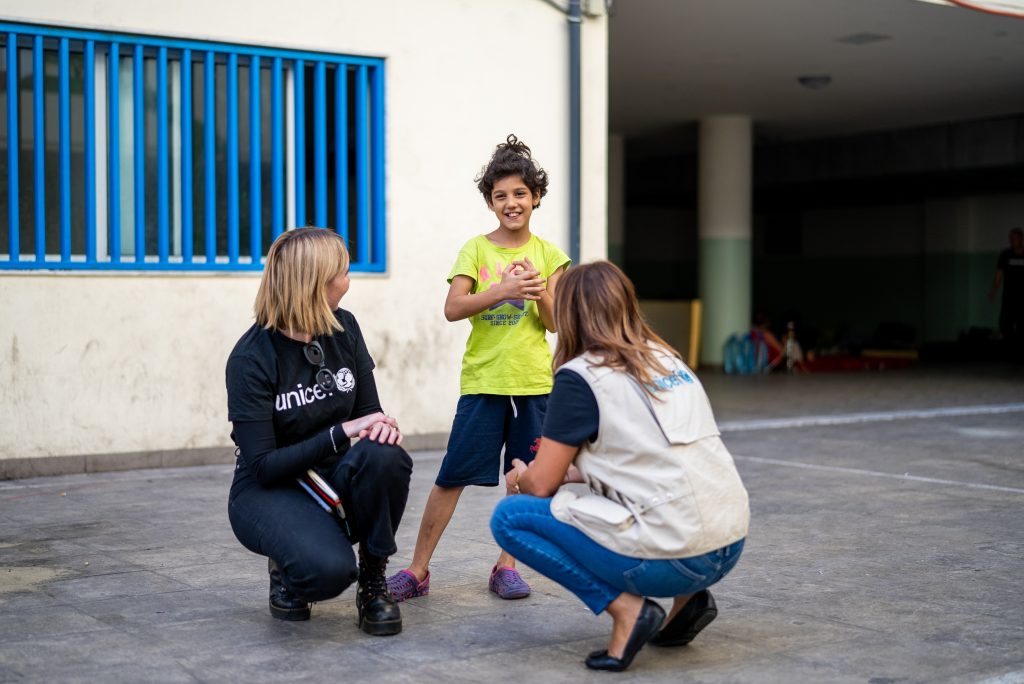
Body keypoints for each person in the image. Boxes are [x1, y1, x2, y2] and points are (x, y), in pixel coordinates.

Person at [491, 261, 750, 672]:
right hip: (729, 541)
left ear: (570, 313)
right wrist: (574, 472)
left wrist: (522, 474)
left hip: (680, 555)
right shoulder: (667, 359)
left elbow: (541, 485)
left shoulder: (581, 376)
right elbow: (647, 455)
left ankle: (629, 612)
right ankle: (688, 602)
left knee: (512, 517)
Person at [387, 134, 570, 601]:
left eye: (520, 194)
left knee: (525, 480)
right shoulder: (476, 249)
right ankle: (418, 569)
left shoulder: (551, 256)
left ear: (536, 198)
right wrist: (503, 290)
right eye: (501, 195)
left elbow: (553, 322)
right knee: (452, 476)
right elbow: (453, 307)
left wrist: (538, 288)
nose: (511, 203)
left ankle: (506, 566)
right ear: (490, 202)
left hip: (533, 384)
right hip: (484, 382)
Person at [225, 227, 412, 636]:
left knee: (387, 456)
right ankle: (289, 564)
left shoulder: (345, 328)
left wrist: (381, 427)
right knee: (327, 573)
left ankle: (374, 581)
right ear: (316, 284)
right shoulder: (250, 357)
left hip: (333, 476)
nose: (350, 279)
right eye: (343, 272)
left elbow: (368, 414)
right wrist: (342, 432)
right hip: (272, 487)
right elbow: (262, 465)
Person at [988, 227, 1024, 359]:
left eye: (1015, 238)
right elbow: (999, 275)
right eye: (1011, 238)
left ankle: (1019, 354)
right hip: (1009, 297)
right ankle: (1011, 351)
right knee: (1004, 324)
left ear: (1021, 239)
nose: (1012, 241)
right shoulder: (1006, 255)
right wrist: (993, 291)